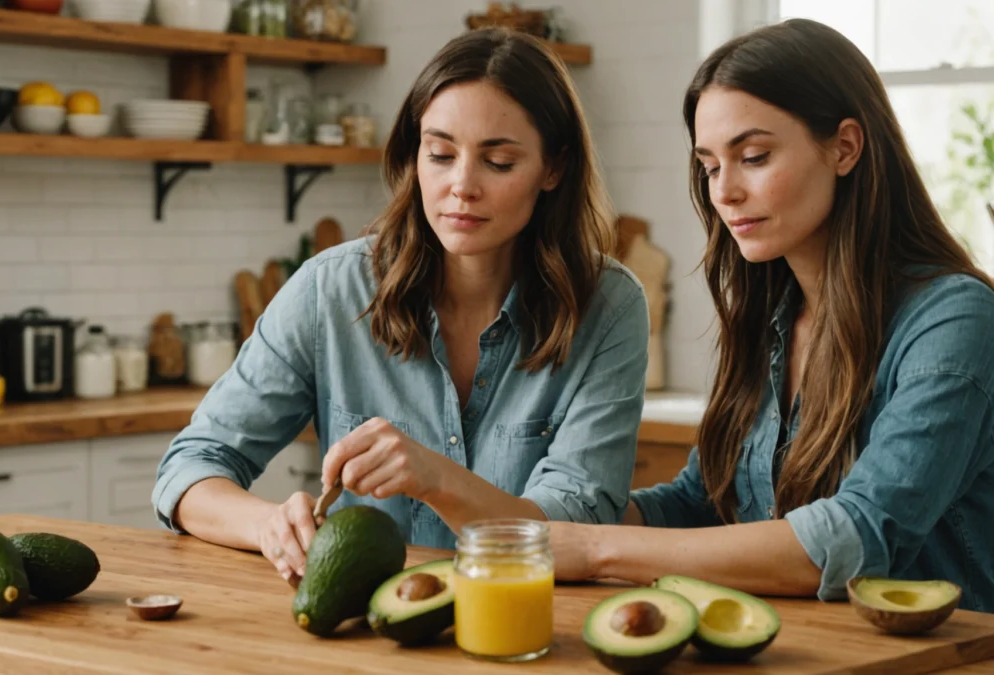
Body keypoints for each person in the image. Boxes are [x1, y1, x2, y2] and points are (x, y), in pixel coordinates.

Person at [152, 27, 651, 586]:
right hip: (362, 631)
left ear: (553, 169)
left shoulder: (610, 307)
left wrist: (436, 478)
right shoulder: (328, 291)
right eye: (440, 154)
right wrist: (269, 524)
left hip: (526, 630)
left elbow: (577, 527)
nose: (461, 185)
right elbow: (191, 468)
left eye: (500, 162)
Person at [547, 18, 994, 614]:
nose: (724, 191)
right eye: (709, 166)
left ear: (845, 147)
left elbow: (858, 537)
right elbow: (701, 505)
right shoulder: (770, 319)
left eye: (753, 156)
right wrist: (560, 514)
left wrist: (595, 546)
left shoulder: (953, 320)